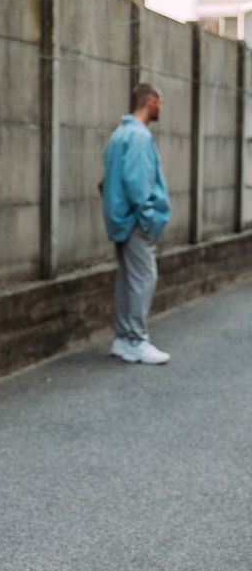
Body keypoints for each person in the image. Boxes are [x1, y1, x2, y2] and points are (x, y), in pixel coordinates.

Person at [102, 83, 172, 365]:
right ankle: (136, 340)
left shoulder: (119, 135)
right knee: (144, 278)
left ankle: (123, 339)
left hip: (120, 220)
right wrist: (149, 219)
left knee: (128, 280)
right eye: (160, 102)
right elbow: (138, 185)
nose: (160, 108)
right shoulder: (139, 137)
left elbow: (107, 180)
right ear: (151, 101)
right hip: (134, 221)